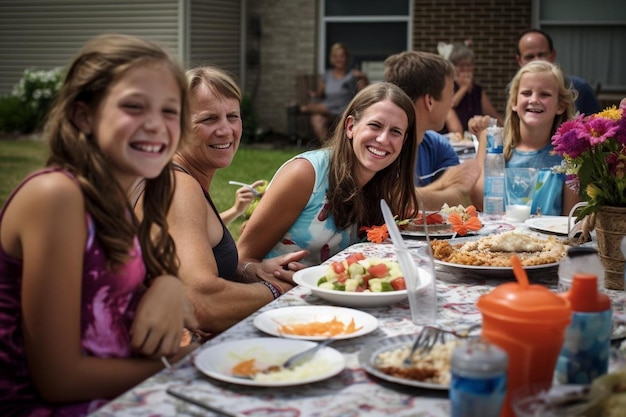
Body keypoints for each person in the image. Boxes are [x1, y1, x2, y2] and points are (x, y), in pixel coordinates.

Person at [0, 34, 198, 416]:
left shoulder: (111, 202)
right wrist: (181, 364)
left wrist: (168, 285)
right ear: (83, 116)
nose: (156, 125)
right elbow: (58, 379)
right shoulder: (55, 196)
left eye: (170, 111)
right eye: (134, 107)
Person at [134, 66, 307, 334]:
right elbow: (201, 303)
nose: (225, 130)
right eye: (208, 119)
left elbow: (194, 261)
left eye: (232, 116)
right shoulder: (177, 187)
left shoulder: (180, 177)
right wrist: (279, 290)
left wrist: (252, 271)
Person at [238, 82, 420, 266]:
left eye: (395, 132)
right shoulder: (305, 175)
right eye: (375, 125)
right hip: (275, 291)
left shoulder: (382, 184)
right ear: (350, 127)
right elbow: (242, 259)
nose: (383, 139)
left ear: (404, 141)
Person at [470, 60, 580, 216]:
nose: (534, 99)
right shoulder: (494, 145)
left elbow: (570, 220)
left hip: (550, 240)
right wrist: (484, 140)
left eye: (545, 94)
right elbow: (479, 201)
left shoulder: (568, 156)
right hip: (498, 238)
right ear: (514, 102)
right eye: (526, 93)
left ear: (560, 106)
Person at [383, 50, 482, 209]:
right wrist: (444, 184)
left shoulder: (435, 143)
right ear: (429, 101)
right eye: (450, 95)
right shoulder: (383, 142)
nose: (451, 104)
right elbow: (393, 204)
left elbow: (465, 199)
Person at [515, 28, 601, 116]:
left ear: (553, 55)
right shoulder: (514, 88)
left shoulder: (579, 88)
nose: (537, 61)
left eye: (542, 55)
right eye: (529, 57)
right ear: (519, 60)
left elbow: (598, 125)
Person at [300, 43, 369, 140]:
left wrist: (363, 77)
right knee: (316, 118)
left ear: (346, 58)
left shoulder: (353, 74)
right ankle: (328, 146)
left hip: (344, 109)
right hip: (328, 108)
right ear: (331, 59)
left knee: (308, 108)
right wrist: (313, 94)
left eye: (341, 56)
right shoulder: (327, 75)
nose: (338, 59)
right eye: (335, 56)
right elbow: (319, 94)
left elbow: (364, 89)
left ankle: (304, 109)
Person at [443, 43, 503, 135]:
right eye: (461, 66)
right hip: (454, 138)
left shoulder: (477, 90)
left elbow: (493, 114)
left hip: (473, 138)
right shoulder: (449, 86)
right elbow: (449, 104)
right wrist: (464, 88)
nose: (466, 69)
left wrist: (507, 128)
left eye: (469, 65)